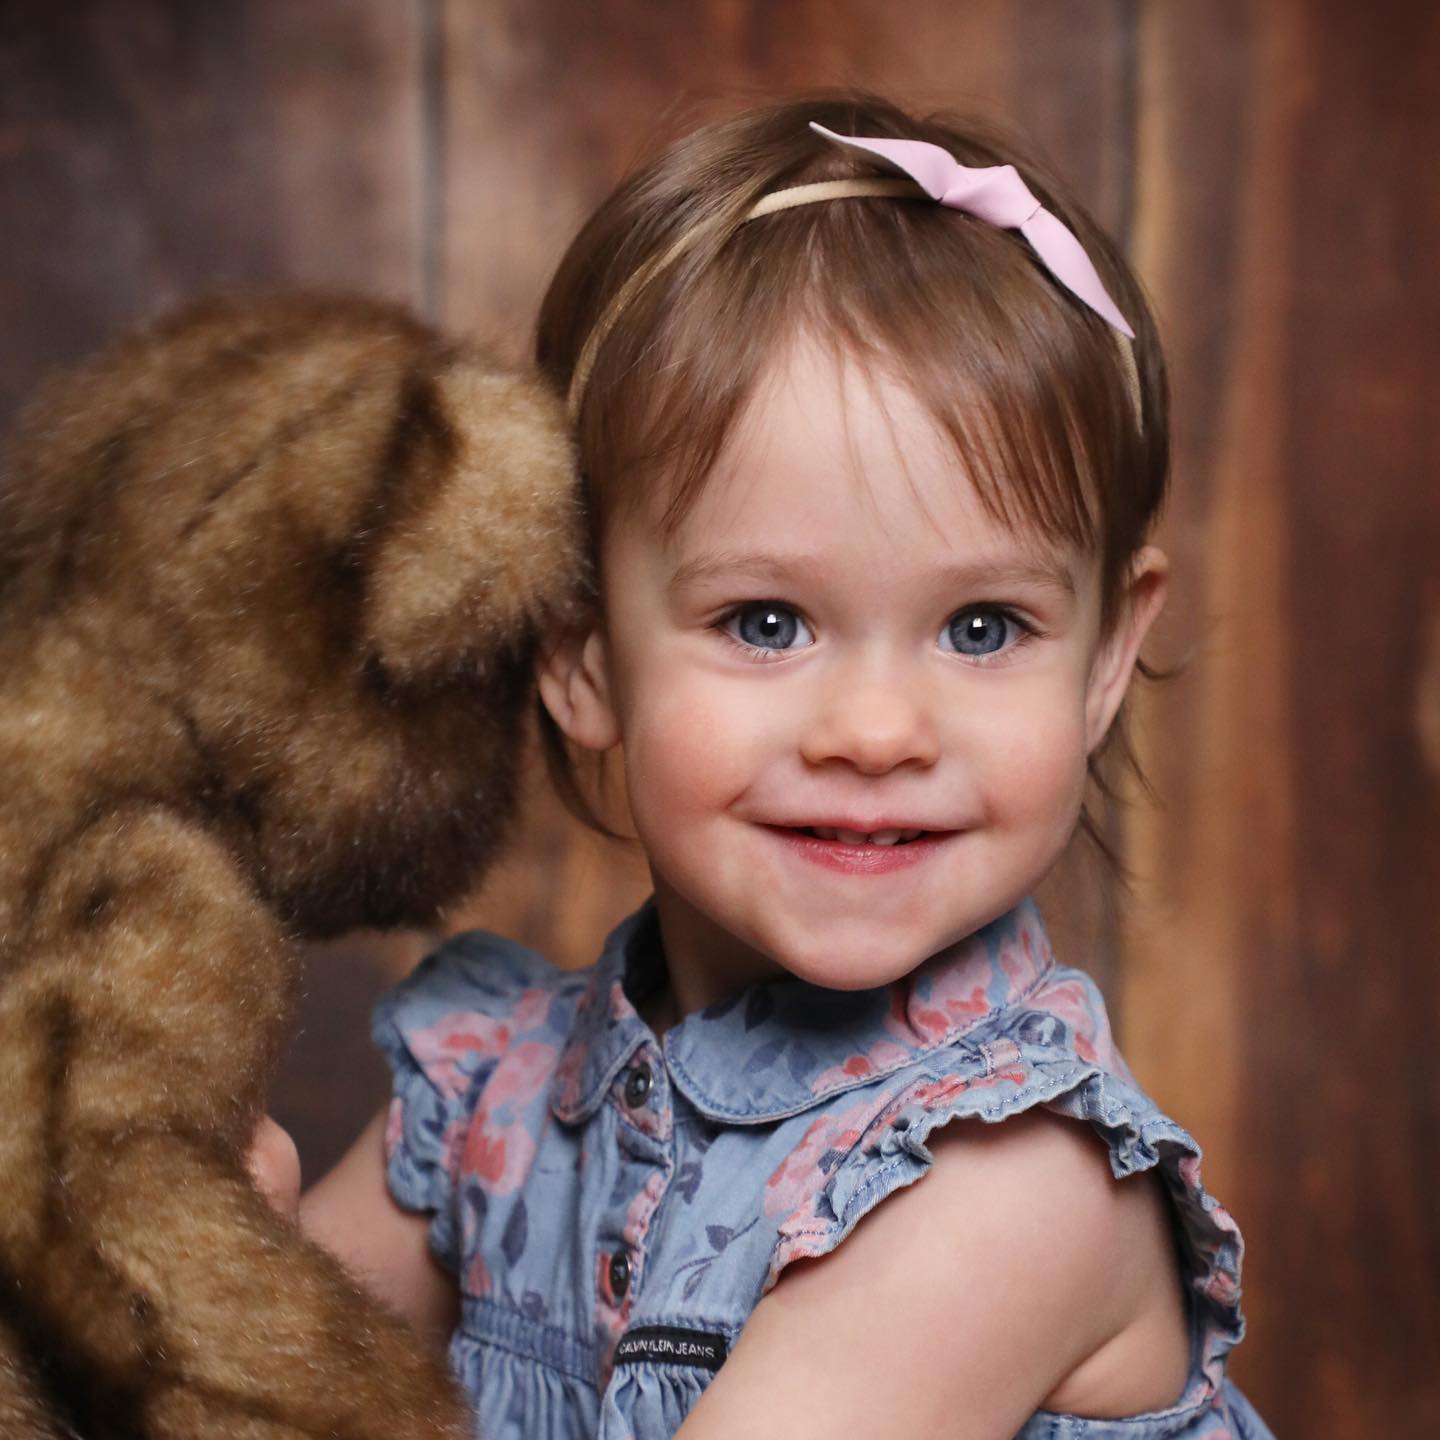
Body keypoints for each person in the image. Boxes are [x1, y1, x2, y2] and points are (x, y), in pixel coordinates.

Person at [251, 91, 1276, 1439]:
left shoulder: (1014, 1188)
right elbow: (267, 1397)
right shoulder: (495, 1094)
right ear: (582, 653)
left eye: (982, 628)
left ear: (1101, 659)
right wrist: (205, 1266)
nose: (877, 731)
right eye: (767, 623)